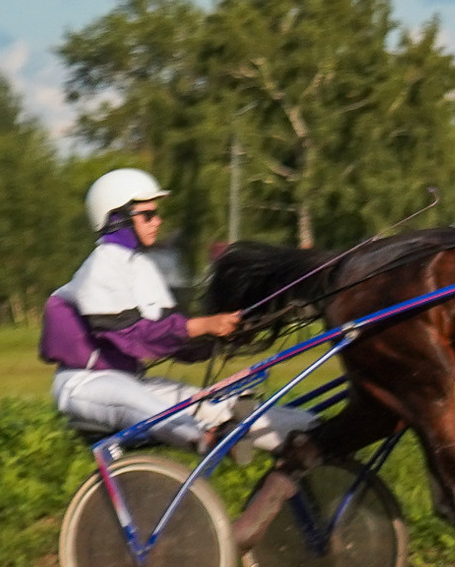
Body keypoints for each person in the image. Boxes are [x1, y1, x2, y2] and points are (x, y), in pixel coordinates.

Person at [41, 168, 314, 455]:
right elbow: (134, 336)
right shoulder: (101, 267)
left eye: (156, 214)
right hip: (85, 384)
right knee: (145, 405)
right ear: (117, 219)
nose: (157, 221)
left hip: (132, 380)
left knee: (214, 404)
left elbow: (172, 341)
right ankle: (207, 437)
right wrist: (204, 326)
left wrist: (225, 338)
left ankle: (307, 434)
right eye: (147, 215)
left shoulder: (141, 266)